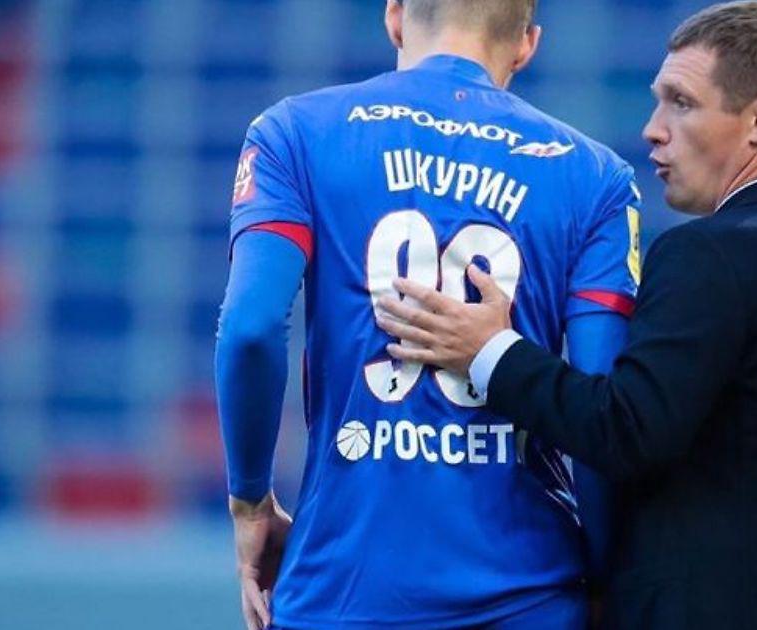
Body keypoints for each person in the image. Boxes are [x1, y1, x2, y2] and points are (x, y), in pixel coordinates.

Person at [376, 1, 757, 627]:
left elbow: (626, 431)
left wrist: (492, 352)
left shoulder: (711, 254)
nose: (652, 130)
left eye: (680, 103)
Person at [214, 0, 642, 628]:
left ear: (394, 15)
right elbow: (603, 400)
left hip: (342, 593)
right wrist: (605, 575)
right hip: (529, 595)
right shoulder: (598, 177)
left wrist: (250, 500)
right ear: (527, 44)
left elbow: (250, 330)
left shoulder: (293, 132)